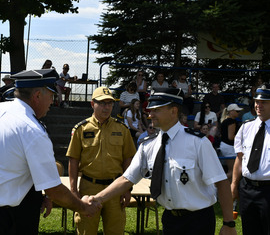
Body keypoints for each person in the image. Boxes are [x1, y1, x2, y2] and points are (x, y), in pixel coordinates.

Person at [0, 69, 101, 234]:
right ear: (37, 96)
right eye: (51, 96)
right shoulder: (32, 129)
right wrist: (83, 207)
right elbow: (54, 189)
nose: (52, 102)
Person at [90, 88, 237, 235]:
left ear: (173, 111)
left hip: (198, 221)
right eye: (150, 109)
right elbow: (126, 179)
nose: (150, 114)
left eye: (156, 110)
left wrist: (229, 223)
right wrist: (97, 199)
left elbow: (221, 182)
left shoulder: (197, 143)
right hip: (170, 220)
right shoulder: (148, 146)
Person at [66, 86, 136, 235]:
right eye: (102, 103)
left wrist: (127, 189)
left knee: (115, 231)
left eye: (110, 103)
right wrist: (73, 190)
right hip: (88, 188)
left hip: (115, 189)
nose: (107, 107)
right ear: (93, 104)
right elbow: (73, 160)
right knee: (86, 230)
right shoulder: (81, 129)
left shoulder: (122, 129)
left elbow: (128, 159)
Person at [231, 84, 270, 235]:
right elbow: (239, 159)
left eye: (264, 102)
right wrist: (234, 184)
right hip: (247, 189)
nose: (259, 105)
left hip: (268, 190)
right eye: (257, 102)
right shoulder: (246, 127)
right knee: (249, 230)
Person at [220, 103, 243, 180]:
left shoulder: (225, 121)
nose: (238, 113)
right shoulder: (231, 122)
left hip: (225, 146)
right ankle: (217, 184)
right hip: (229, 147)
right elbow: (231, 137)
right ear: (231, 111)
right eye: (237, 111)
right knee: (232, 171)